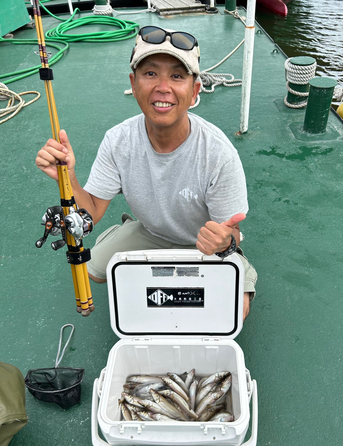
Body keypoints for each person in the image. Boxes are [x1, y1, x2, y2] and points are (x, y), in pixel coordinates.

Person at [35, 25, 257, 320]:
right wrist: (69, 176)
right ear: (134, 83)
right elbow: (91, 212)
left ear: (194, 91)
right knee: (95, 270)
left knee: (235, 308)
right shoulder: (118, 140)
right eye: (150, 73)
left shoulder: (219, 153)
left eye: (177, 76)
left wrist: (225, 241)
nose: (162, 87)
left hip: (201, 244)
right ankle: (128, 229)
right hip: (152, 232)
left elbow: (232, 233)